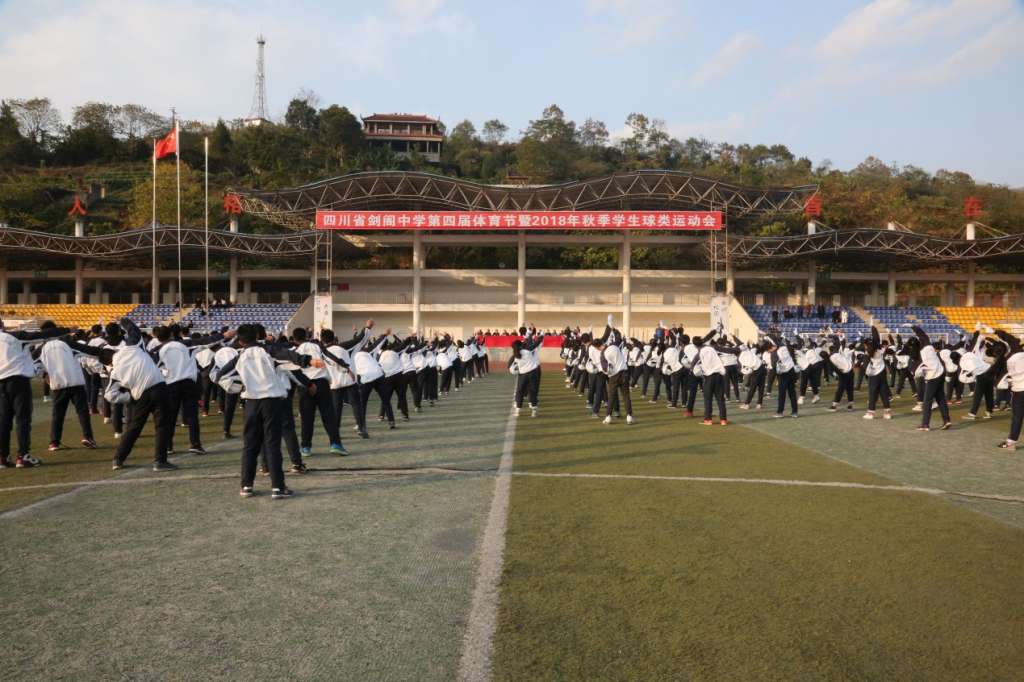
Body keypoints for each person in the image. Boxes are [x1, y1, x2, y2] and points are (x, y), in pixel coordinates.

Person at [216, 324, 323, 499]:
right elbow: (288, 355)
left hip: (250, 402)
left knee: (250, 446)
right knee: (272, 443)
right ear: (258, 336)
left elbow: (220, 375)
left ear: (240, 342)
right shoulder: (267, 350)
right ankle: (277, 487)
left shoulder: (239, 356)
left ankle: (246, 486)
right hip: (271, 401)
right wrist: (309, 361)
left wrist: (237, 387)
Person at [64, 317, 177, 471]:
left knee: (133, 429)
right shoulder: (131, 348)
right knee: (162, 426)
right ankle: (160, 461)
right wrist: (123, 320)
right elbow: (134, 331)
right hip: (158, 387)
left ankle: (118, 459)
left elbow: (109, 395)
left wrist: (128, 397)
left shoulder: (114, 372)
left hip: (141, 396)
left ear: (107, 363)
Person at [0, 319, 69, 468]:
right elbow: (44, 335)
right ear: (2, 325)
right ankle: (23, 455)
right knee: (22, 420)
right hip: (18, 381)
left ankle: (2, 457)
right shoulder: (14, 336)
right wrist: (67, 329)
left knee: (3, 422)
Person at [38, 326, 97, 452]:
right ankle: (87, 437)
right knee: (82, 412)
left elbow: (34, 364)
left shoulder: (42, 348)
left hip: (58, 385)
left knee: (57, 415)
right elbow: (88, 351)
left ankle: (54, 442)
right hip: (75, 382)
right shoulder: (67, 344)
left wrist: (44, 375)